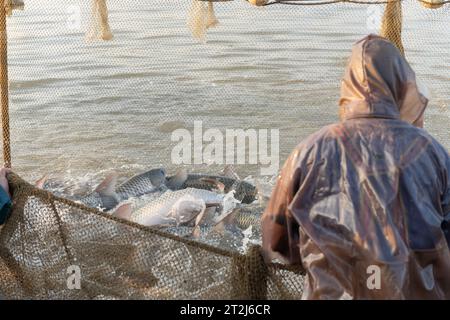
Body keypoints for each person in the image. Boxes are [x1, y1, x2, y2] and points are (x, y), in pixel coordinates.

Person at [262, 35, 450, 299]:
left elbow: (275, 241)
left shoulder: (307, 152)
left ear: (348, 88)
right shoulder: (434, 153)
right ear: (401, 86)